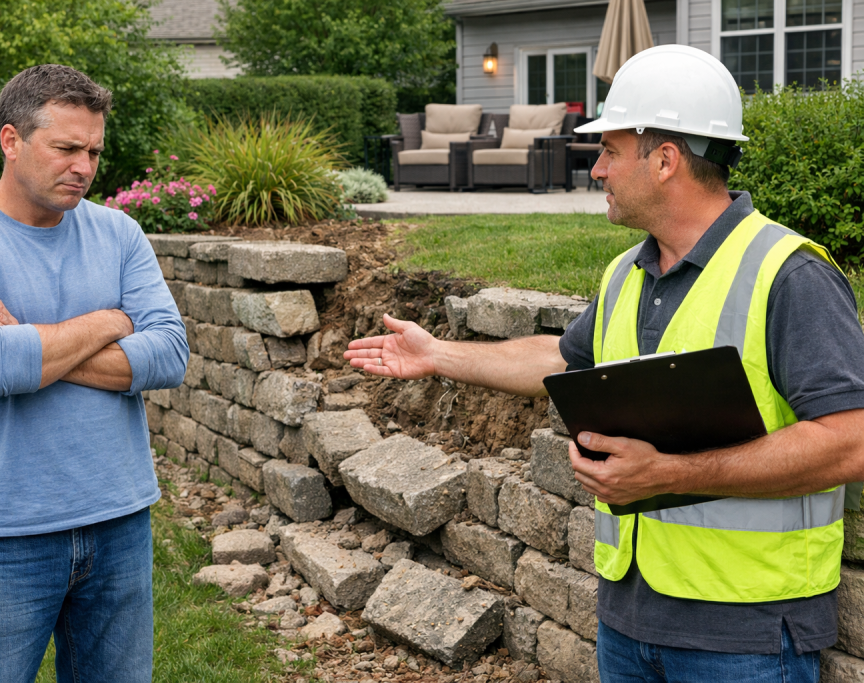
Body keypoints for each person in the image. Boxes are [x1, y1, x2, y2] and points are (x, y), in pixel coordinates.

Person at [344, 44, 864, 683]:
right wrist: (438, 354)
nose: (597, 171)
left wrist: (668, 473)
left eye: (610, 151)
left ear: (666, 159)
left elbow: (850, 442)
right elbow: (564, 362)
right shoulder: (627, 272)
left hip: (746, 636)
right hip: (628, 622)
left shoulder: (791, 276)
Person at [0, 64, 188, 682]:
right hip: (4, 535)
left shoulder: (118, 232)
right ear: (12, 141)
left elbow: (170, 355)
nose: (84, 167)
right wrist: (113, 320)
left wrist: (33, 341)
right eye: (66, 148)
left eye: (93, 151)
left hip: (120, 521)